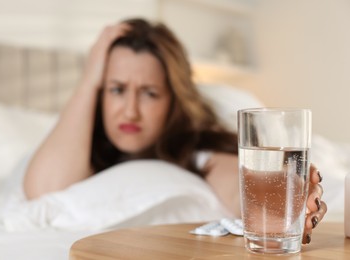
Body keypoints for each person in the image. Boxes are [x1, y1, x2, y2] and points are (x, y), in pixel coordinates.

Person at [23, 18, 326, 244]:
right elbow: (44, 190)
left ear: (173, 99)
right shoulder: (78, 140)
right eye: (116, 89)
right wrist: (90, 77)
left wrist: (283, 196)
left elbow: (237, 183)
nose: (130, 111)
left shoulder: (195, 147)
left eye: (149, 93)